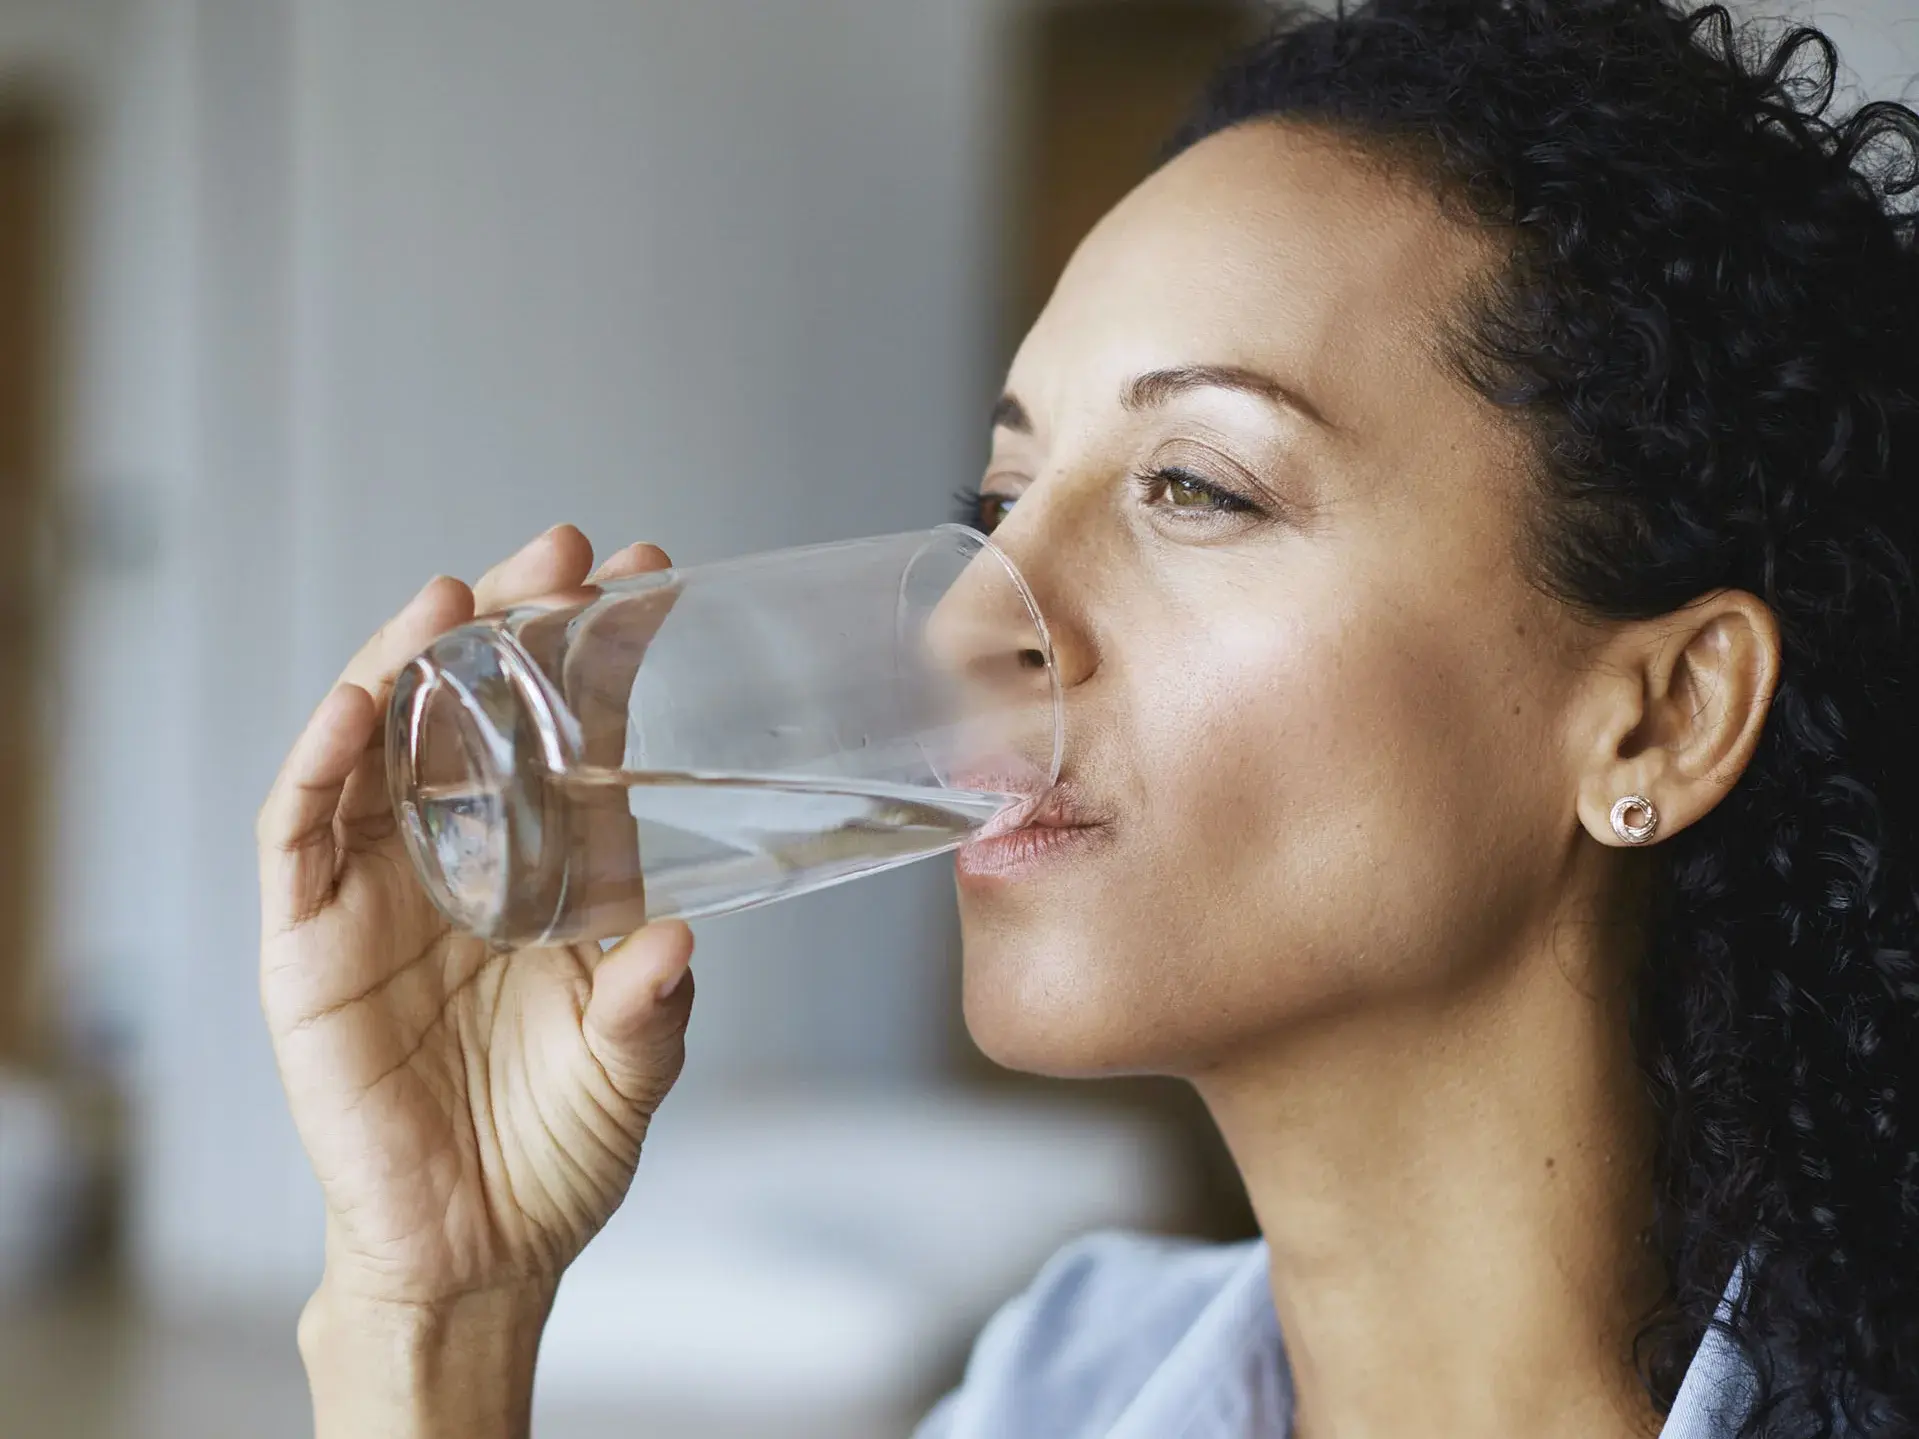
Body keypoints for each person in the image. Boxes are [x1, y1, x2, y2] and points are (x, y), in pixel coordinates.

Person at [256, 1, 1919, 1434]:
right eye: (996, 502)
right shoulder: (1060, 1382)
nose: (975, 621)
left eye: (1192, 486)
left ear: (1658, 717)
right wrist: (435, 1317)